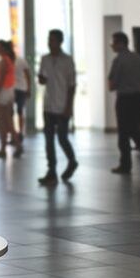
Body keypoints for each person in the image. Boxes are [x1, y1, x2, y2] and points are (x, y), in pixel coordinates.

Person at [108, 32, 140, 175]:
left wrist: (114, 84)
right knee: (134, 129)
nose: (111, 45)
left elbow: (112, 84)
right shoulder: (139, 58)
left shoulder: (118, 60)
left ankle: (126, 164)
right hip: (138, 99)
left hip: (124, 99)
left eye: (113, 42)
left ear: (120, 43)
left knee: (124, 133)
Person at [38, 30, 78, 186]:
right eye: (49, 40)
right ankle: (51, 171)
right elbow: (42, 80)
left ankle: (72, 160)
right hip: (48, 105)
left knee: (62, 138)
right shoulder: (45, 59)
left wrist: (69, 106)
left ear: (60, 42)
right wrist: (41, 78)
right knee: (48, 140)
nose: (50, 43)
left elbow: (72, 85)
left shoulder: (67, 61)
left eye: (53, 40)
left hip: (62, 105)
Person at [0, 40, 22, 159]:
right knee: (6, 122)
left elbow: (1, 79)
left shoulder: (4, 61)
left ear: (2, 48)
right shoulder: (6, 60)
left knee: (3, 122)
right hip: (6, 92)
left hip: (3, 93)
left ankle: (8, 147)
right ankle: (11, 146)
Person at [14, 56, 31, 141]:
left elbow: (27, 75)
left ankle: (20, 132)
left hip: (21, 89)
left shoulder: (21, 61)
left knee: (20, 111)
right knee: (12, 112)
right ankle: (15, 133)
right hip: (13, 89)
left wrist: (29, 88)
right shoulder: (8, 61)